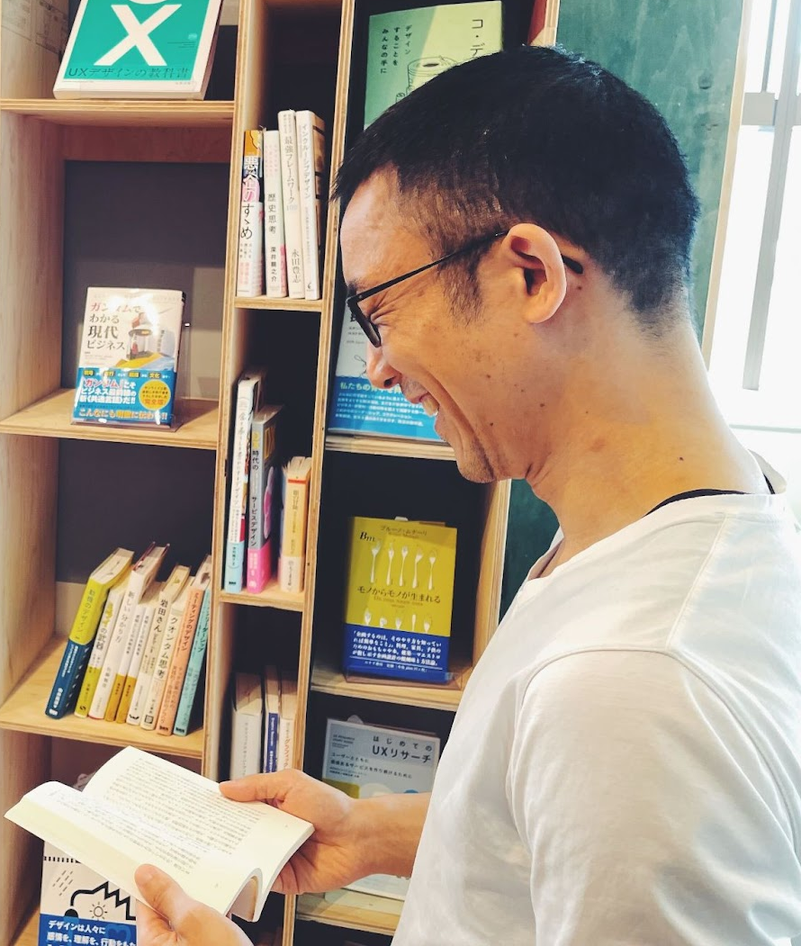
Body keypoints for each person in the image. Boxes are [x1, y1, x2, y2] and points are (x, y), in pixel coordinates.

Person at [134, 46, 801, 944]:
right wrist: (374, 831)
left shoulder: (631, 683)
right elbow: (567, 834)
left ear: (532, 274)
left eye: (379, 311)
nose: (379, 365)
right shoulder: (716, 508)